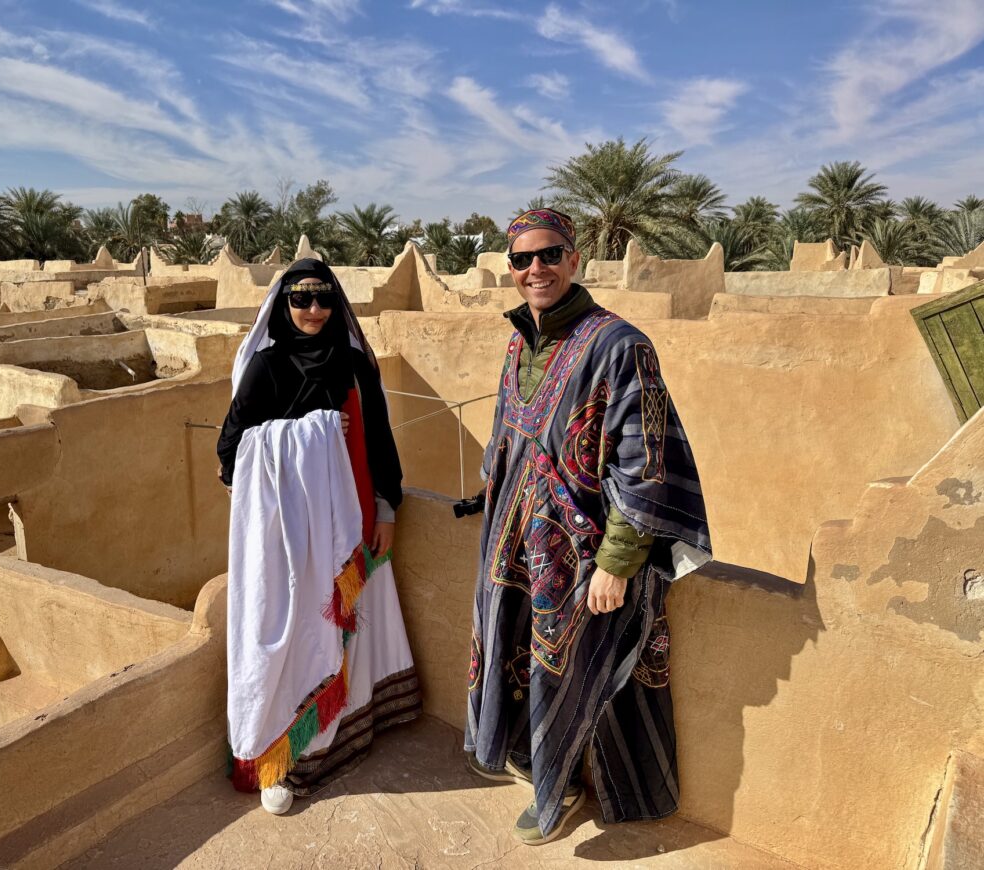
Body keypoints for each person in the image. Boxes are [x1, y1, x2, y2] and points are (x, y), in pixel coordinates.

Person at [464, 209, 712, 845]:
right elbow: (507, 436)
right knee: (525, 663)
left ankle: (562, 792)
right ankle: (545, 771)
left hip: (582, 559)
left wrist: (616, 562)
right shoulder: (520, 340)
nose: (535, 270)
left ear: (575, 260)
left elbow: (645, 458)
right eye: (521, 260)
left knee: (576, 671)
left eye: (549, 255)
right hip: (517, 549)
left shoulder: (620, 346)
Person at [218, 258, 420, 815]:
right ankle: (289, 757)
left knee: (352, 629)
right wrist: (313, 435)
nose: (313, 310)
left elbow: (379, 439)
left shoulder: (355, 363)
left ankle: (354, 727)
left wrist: (385, 510)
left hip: (352, 524)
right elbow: (231, 454)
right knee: (300, 635)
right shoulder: (265, 367)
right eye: (300, 299)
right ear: (283, 305)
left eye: (324, 298)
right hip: (291, 544)